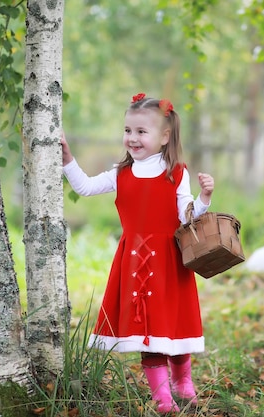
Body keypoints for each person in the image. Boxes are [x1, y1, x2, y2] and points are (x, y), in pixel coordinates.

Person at [61, 92, 214, 413]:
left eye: (141, 132)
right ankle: (162, 399)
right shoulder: (121, 173)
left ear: (164, 137)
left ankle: (183, 382)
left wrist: (204, 198)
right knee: (148, 331)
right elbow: (85, 188)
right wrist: (67, 159)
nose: (132, 138)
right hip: (135, 263)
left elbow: (187, 215)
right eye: (128, 130)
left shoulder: (177, 172)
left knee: (172, 326)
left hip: (170, 262)